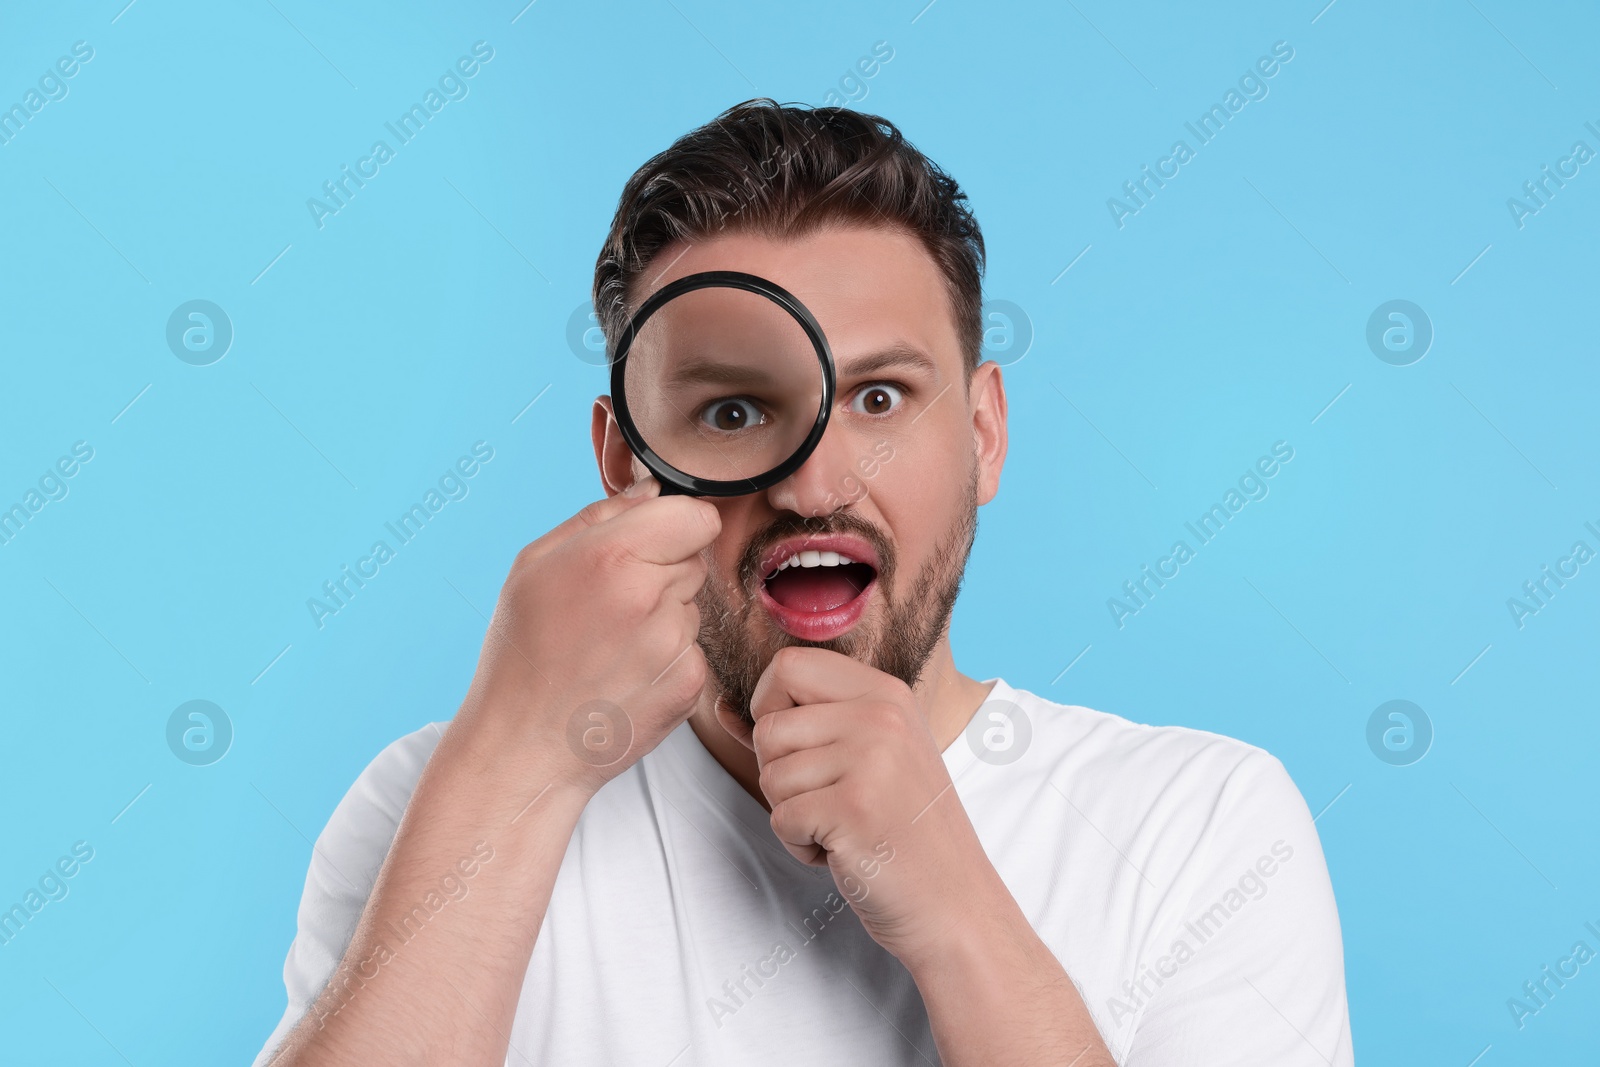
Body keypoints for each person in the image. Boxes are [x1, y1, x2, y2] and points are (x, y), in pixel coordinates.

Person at [253, 99, 1353, 1066]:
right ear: (625, 461)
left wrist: (958, 911)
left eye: (878, 398)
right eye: (733, 411)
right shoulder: (429, 804)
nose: (814, 482)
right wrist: (505, 763)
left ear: (984, 434)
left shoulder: (1201, 825)